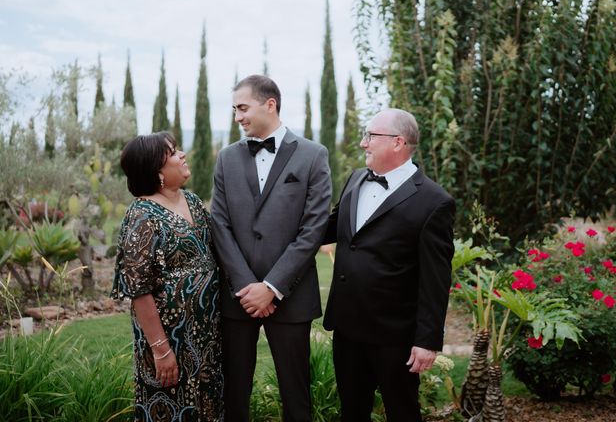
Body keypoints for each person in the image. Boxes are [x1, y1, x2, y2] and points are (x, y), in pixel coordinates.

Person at [211, 74, 332, 422]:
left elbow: (313, 229)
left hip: (290, 297)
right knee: (234, 394)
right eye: (234, 110)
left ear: (270, 104)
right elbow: (220, 224)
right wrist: (247, 286)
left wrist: (272, 287)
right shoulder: (227, 158)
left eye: (243, 108)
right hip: (238, 298)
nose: (237, 117)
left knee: (297, 396)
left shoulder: (313, 155)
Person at [323, 108, 455, 422]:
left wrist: (427, 341)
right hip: (347, 327)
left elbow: (436, 279)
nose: (363, 143)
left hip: (394, 335)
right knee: (352, 411)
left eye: (370, 136)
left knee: (403, 412)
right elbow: (331, 228)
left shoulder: (435, 202)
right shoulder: (356, 179)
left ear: (397, 143)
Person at [112, 132, 223, 422]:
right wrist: (160, 350)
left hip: (206, 337)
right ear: (157, 171)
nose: (182, 155)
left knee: (209, 407)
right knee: (171, 409)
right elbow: (139, 290)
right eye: (173, 153)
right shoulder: (141, 216)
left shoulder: (193, 201)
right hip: (169, 340)